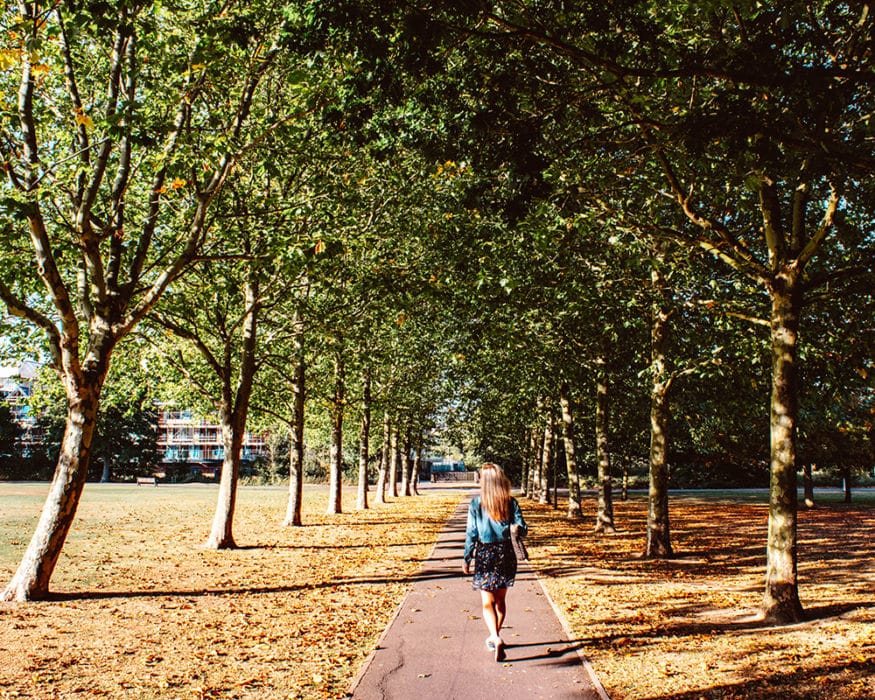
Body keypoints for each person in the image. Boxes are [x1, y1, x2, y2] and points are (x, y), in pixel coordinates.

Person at [462, 462, 528, 662]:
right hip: (506, 553)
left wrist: (467, 558)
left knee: (486, 602)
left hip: (485, 553)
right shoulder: (511, 502)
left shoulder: (476, 504)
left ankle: (495, 636)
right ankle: (495, 636)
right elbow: (523, 529)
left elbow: (471, 533)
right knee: (500, 600)